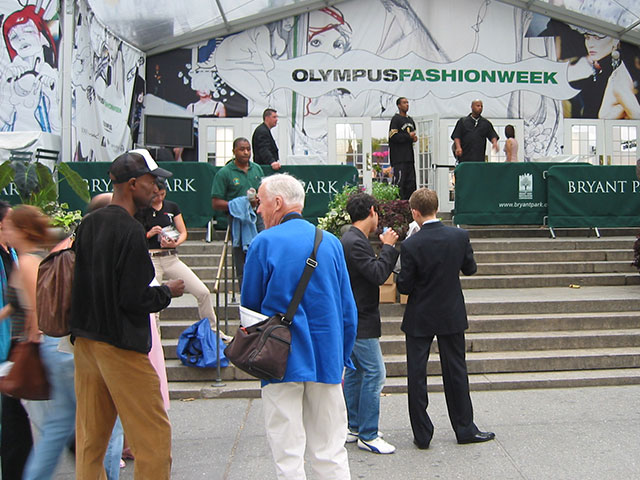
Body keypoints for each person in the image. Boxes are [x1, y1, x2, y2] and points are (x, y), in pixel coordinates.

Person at [70, 148, 185, 479]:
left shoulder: (89, 223)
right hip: (120, 345)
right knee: (153, 440)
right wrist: (167, 292)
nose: (157, 189)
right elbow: (134, 298)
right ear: (133, 184)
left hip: (86, 342)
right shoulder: (131, 230)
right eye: (152, 181)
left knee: (91, 441)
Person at [241, 173, 357, 479]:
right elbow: (348, 312)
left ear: (277, 203)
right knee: (331, 450)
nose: (258, 210)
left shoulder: (262, 243)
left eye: (261, 203)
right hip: (326, 358)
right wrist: (341, 359)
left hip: (278, 360)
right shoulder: (330, 242)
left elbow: (250, 313)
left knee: (287, 454)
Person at [396, 188, 495, 449]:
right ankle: (465, 428)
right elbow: (470, 268)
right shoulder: (459, 236)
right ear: (437, 208)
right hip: (451, 311)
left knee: (417, 374)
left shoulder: (410, 244)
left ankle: (422, 434)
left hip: (420, 315)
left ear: (415, 212)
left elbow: (404, 286)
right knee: (456, 370)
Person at [137, 177, 231, 341]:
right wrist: (149, 234)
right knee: (153, 304)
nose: (159, 198)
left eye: (162, 194)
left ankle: (213, 331)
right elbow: (134, 236)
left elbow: (183, 232)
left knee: (202, 292)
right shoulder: (141, 209)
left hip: (170, 257)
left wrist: (174, 243)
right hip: (151, 258)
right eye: (155, 195)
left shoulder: (171, 206)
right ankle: (154, 341)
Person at [341, 193, 399, 455]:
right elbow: (377, 274)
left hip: (354, 316)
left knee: (356, 373)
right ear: (373, 211)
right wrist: (388, 247)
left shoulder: (353, 239)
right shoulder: (355, 241)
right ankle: (368, 434)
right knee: (375, 373)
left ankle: (355, 426)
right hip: (359, 318)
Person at [0, 205, 42, 480]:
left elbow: (31, 307)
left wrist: (33, 340)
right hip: (17, 347)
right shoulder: (18, 257)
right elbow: (17, 303)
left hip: (23, 348)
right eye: (7, 223)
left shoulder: (20, 258)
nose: (9, 228)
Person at [211, 137, 264, 283]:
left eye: (248, 149)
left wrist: (258, 200)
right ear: (234, 151)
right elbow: (216, 203)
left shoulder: (257, 169)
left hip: (258, 216)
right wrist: (240, 204)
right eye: (242, 149)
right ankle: (244, 295)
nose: (246, 152)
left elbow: (263, 192)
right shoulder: (224, 173)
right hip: (238, 220)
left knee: (263, 250)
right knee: (242, 259)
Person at [388, 97, 417, 200]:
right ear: (399, 105)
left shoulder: (410, 120)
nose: (407, 105)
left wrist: (413, 138)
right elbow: (393, 137)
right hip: (399, 158)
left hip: (409, 158)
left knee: (411, 183)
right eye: (404, 103)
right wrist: (408, 136)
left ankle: (410, 206)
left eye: (408, 102)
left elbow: (412, 135)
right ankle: (397, 206)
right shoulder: (395, 119)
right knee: (399, 183)